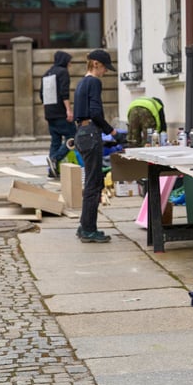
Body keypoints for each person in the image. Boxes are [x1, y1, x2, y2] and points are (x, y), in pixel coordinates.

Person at [73, 49, 118, 243]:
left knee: (91, 181)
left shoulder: (81, 83)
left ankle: (84, 225)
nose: (105, 72)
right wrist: (111, 131)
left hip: (82, 133)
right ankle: (89, 229)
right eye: (104, 68)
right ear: (96, 64)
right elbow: (96, 113)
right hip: (91, 133)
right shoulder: (94, 82)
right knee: (94, 183)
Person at [40, 50, 75, 178]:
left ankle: (51, 170)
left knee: (55, 141)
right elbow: (64, 93)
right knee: (72, 137)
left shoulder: (46, 74)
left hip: (49, 113)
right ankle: (55, 158)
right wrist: (68, 110)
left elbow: (41, 95)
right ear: (64, 61)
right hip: (61, 112)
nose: (70, 64)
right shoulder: (62, 72)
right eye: (69, 62)